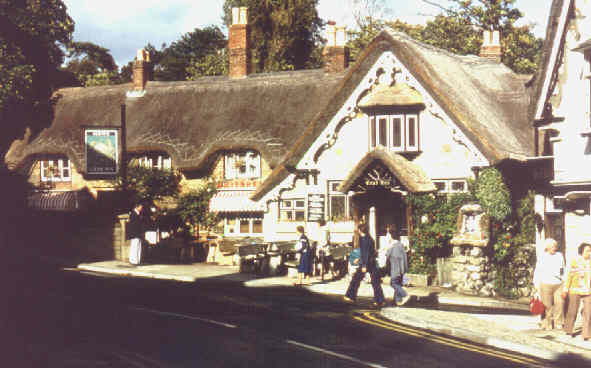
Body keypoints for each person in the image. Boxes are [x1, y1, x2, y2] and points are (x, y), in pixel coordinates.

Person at [344, 223, 385, 307]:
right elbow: (368, 252)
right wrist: (359, 259)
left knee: (356, 279)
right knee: (375, 282)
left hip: (367, 263)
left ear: (360, 230)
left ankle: (350, 296)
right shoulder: (369, 238)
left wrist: (364, 266)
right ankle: (380, 300)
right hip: (371, 262)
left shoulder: (364, 239)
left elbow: (366, 253)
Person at [532, 238, 565, 330]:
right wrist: (536, 284)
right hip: (546, 283)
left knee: (560, 303)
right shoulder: (542, 257)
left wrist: (564, 280)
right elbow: (537, 271)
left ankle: (558, 322)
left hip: (558, 284)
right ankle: (547, 323)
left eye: (555, 246)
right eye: (552, 246)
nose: (554, 248)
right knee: (547, 305)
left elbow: (563, 269)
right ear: (547, 247)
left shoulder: (560, 256)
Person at [562, 242, 591, 339]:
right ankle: (568, 331)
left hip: (588, 290)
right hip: (575, 289)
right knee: (573, 310)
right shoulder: (575, 261)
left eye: (590, 251)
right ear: (581, 251)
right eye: (587, 251)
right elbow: (568, 276)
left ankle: (586, 334)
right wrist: (565, 289)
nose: (589, 253)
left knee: (588, 311)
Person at [385, 225, 411, 307]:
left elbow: (390, 257)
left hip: (396, 269)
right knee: (398, 284)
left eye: (387, 234)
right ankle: (398, 301)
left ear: (390, 235)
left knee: (393, 283)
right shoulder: (400, 244)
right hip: (402, 269)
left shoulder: (393, 246)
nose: (386, 236)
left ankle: (405, 294)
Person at [127, 201, 146, 266]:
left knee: (138, 247)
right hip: (135, 233)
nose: (141, 208)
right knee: (135, 247)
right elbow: (133, 225)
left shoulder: (138, 214)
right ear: (137, 207)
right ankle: (134, 261)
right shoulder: (133, 214)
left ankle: (137, 261)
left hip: (138, 234)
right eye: (140, 207)